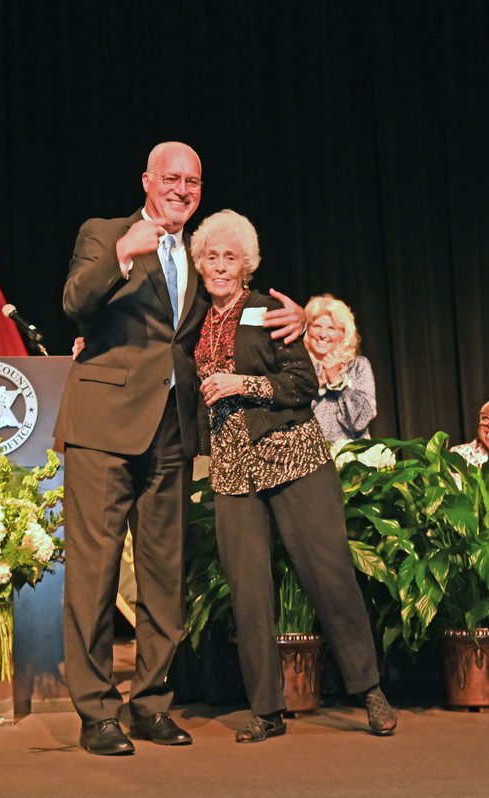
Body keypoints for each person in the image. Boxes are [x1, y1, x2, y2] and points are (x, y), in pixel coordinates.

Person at [54, 143, 305, 756]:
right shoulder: (104, 232)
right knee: (94, 573)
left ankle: (151, 704)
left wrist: (302, 318)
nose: (183, 189)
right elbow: (74, 301)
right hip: (102, 429)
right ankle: (97, 713)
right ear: (147, 180)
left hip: (171, 432)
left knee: (165, 575)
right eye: (172, 178)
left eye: (193, 181)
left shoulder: (198, 254)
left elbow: (232, 312)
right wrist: (123, 253)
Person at [192, 209, 397, 743]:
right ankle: (267, 710)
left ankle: (369, 690)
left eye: (230, 258)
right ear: (199, 264)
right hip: (233, 470)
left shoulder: (267, 312)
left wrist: (242, 384)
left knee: (329, 575)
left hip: (294, 458)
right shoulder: (192, 320)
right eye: (211, 257)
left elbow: (303, 383)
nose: (220, 266)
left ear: (246, 265)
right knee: (248, 591)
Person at [304, 294, 376, 441]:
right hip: (309, 452)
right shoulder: (298, 367)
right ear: (307, 330)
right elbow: (288, 419)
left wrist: (338, 382)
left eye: (331, 328)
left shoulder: (357, 366)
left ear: (343, 333)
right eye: (317, 326)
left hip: (350, 452)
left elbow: (361, 420)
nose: (323, 334)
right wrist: (318, 387)